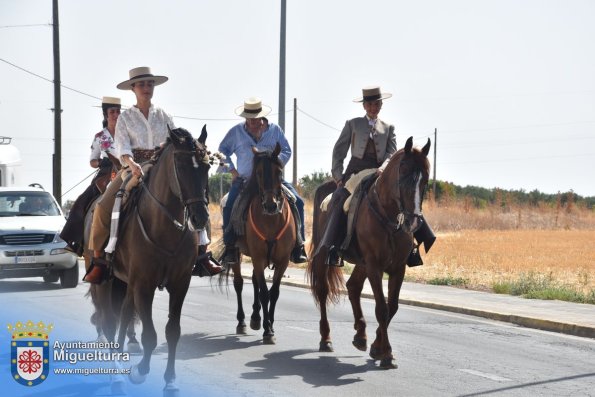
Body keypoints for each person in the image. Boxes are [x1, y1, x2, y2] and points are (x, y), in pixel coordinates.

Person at [84, 66, 223, 283]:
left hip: (161, 167)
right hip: (132, 167)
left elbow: (176, 142)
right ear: (133, 88)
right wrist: (131, 163)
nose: (146, 88)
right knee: (103, 206)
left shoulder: (164, 115)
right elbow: (122, 147)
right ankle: (100, 260)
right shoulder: (126, 118)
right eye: (141, 84)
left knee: (195, 196)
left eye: (149, 84)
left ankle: (202, 253)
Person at [318, 86, 435, 267]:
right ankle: (332, 248)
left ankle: (412, 247)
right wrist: (338, 175)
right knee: (340, 199)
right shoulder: (352, 124)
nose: (373, 107)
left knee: (407, 195)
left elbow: (391, 153)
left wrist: (384, 167)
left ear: (381, 105)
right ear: (364, 106)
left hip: (379, 171)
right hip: (355, 172)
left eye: (376, 104)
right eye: (370, 104)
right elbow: (338, 151)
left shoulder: (389, 128)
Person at [219, 97, 308, 265]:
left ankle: (299, 244)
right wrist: (232, 170)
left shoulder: (275, 131)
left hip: (273, 181)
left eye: (256, 118)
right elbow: (222, 151)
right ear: (245, 117)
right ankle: (230, 247)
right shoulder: (236, 132)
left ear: (262, 117)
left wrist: (273, 163)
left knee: (299, 202)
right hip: (245, 180)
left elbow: (287, 150)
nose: (253, 122)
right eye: (250, 118)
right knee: (230, 204)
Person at [60, 96, 122, 255]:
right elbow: (92, 161)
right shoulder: (100, 136)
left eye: (118, 111)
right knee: (82, 201)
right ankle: (76, 241)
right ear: (105, 114)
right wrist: (101, 163)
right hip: (107, 171)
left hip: (128, 168)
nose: (116, 114)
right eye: (112, 112)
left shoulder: (128, 133)